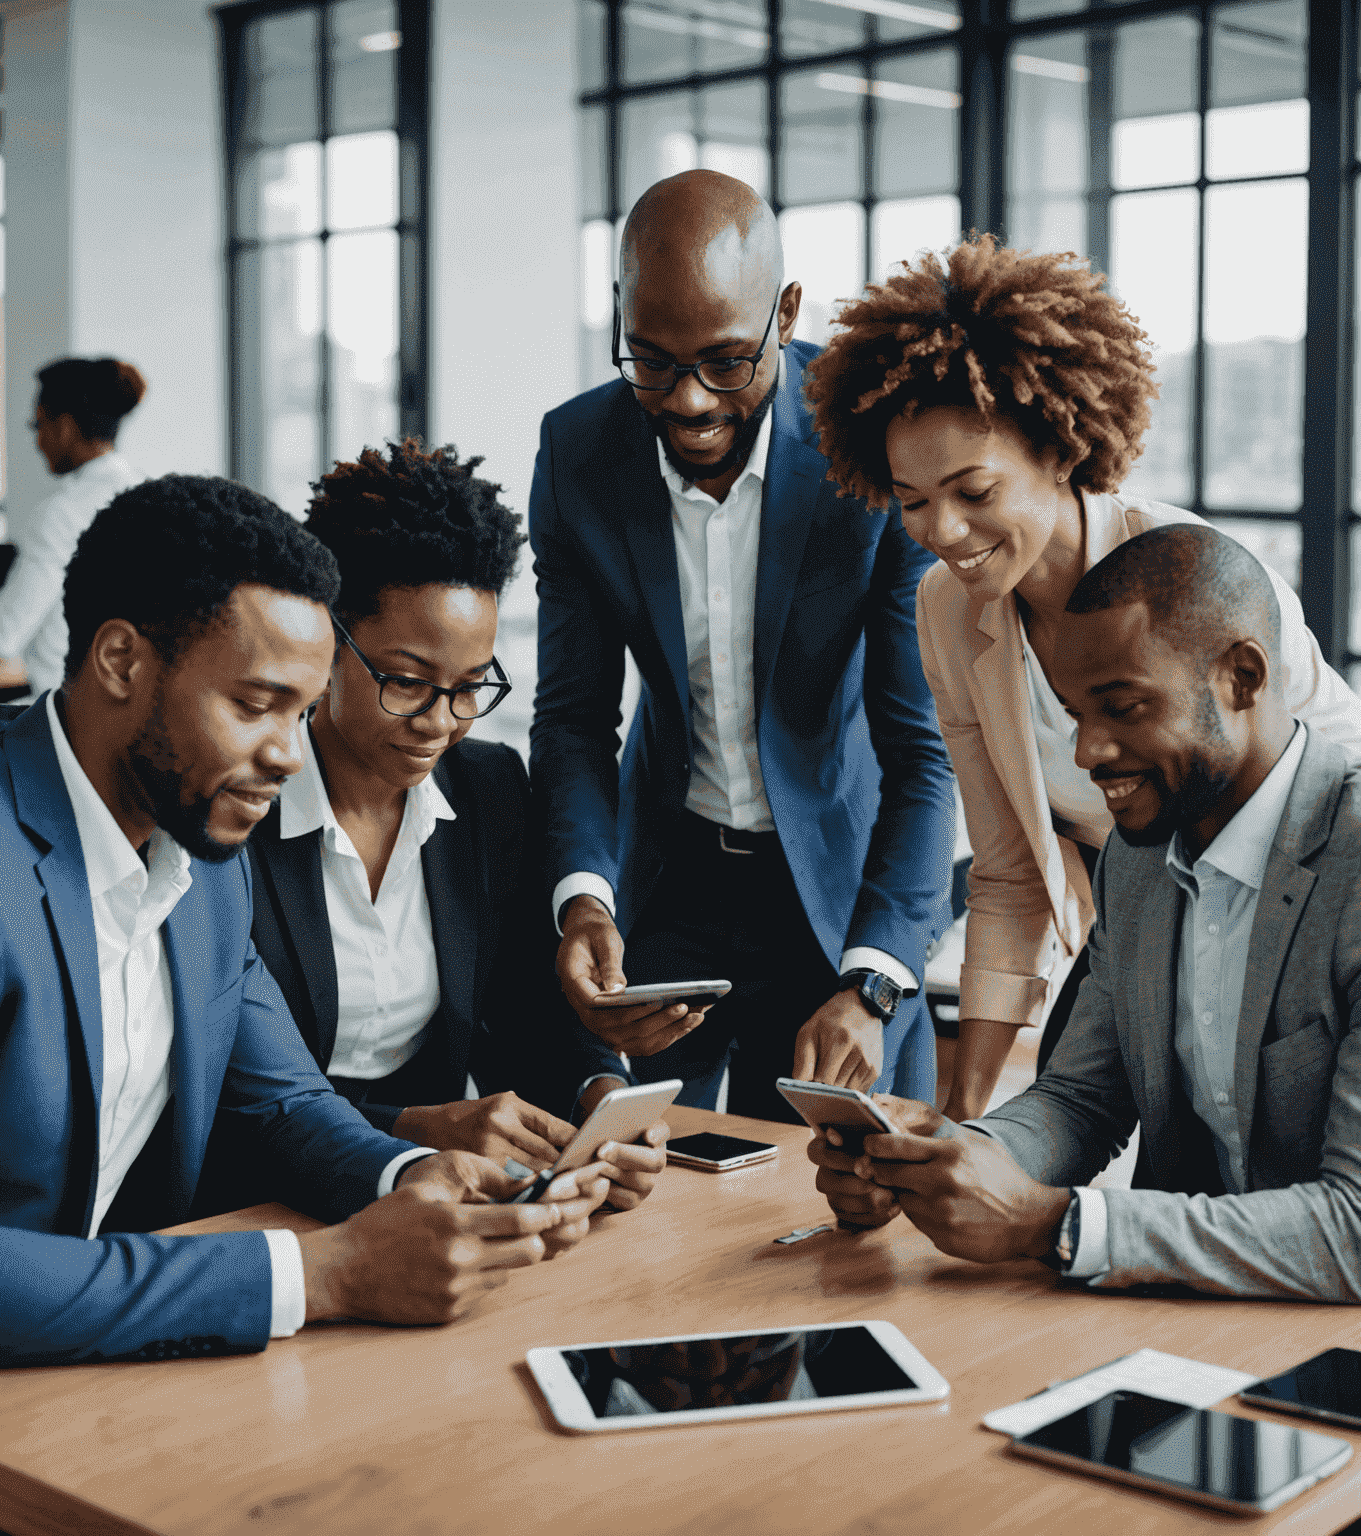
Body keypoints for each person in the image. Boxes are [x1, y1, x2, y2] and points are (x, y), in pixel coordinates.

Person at [0, 473, 609, 1397]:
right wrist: (322, 1273)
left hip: (112, 1369)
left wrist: (418, 1178)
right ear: (121, 661)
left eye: (301, 709)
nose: (286, 754)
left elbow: (280, 1103)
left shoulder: (199, 845)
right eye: (254, 704)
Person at [803, 234, 1361, 1121]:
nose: (943, 530)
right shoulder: (947, 612)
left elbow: (1326, 787)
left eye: (974, 491)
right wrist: (964, 1121)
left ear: (1060, 450)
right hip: (1132, 924)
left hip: (1302, 909)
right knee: (1031, 1139)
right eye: (912, 501)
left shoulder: (1190, 577)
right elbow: (1010, 877)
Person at [810, 526, 1361, 1302]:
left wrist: (1052, 1224)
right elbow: (1082, 1100)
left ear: (1242, 678)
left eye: (1124, 708)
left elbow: (1355, 1230)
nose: (1087, 752)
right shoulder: (1140, 855)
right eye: (1074, 714)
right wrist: (947, 1158)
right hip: (1184, 1317)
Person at [529, 169, 956, 1122]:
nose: (686, 402)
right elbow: (571, 721)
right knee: (627, 1191)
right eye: (651, 360)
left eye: (727, 361)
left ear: (787, 313)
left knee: (842, 1223)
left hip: (839, 903)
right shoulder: (577, 455)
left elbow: (922, 752)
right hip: (663, 886)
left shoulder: (872, 455)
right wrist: (583, 902)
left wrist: (876, 980)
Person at [225, 439, 663, 1212]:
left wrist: (601, 1097)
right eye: (409, 682)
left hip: (440, 1211)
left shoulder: (487, 790)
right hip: (252, 1207)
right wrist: (418, 1129)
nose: (440, 722)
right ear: (328, 640)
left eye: (470, 686)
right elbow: (219, 1089)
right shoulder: (236, 808)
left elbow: (534, 1011)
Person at [0, 357, 147, 695]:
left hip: (55, 711)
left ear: (64, 427)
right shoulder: (145, 498)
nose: (38, 442)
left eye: (37, 425)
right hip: (122, 707)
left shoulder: (62, 514)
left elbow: (1, 637)